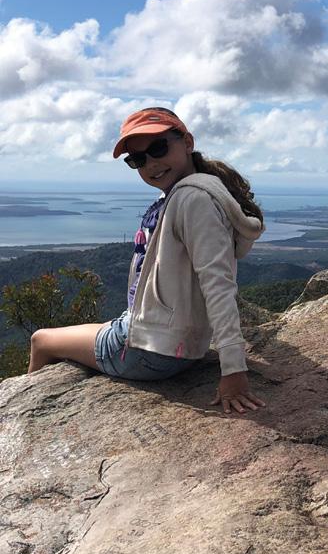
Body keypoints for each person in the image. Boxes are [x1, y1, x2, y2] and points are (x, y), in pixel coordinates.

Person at [28, 107, 266, 414]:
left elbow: (218, 284)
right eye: (137, 159)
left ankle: (27, 415)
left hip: (150, 353)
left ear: (187, 142)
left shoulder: (193, 200)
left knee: (41, 340)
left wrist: (233, 370)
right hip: (172, 344)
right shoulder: (189, 193)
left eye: (158, 148)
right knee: (90, 329)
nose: (151, 163)